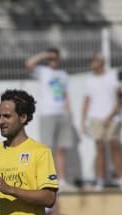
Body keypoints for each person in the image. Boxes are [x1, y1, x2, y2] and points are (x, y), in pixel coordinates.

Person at [25, 47, 74, 189]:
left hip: (62, 114)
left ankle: (62, 179)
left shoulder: (63, 74)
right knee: (46, 149)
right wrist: (44, 54)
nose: (53, 61)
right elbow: (28, 63)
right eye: (50, 58)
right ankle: (46, 179)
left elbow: (65, 95)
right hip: (47, 114)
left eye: (55, 58)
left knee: (61, 149)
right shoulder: (42, 71)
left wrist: (69, 112)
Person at [81, 52, 122, 190]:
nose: (91, 63)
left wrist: (111, 115)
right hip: (96, 118)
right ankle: (101, 179)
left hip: (112, 117)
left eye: (94, 60)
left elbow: (119, 99)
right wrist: (83, 121)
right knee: (99, 149)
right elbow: (87, 101)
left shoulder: (112, 77)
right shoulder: (89, 81)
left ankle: (120, 178)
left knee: (114, 147)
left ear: (102, 62)